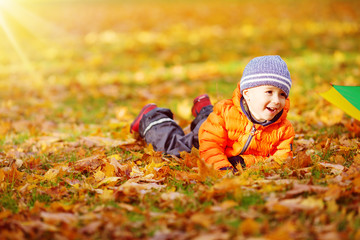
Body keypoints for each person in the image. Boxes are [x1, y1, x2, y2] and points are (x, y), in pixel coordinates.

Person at [130, 55, 295, 172]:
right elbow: (210, 146)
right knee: (175, 148)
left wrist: (244, 161)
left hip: (217, 127)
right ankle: (153, 117)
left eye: (282, 94)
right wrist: (222, 167)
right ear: (247, 94)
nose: (276, 100)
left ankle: (204, 109)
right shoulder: (225, 115)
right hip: (208, 135)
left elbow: (280, 160)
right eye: (269, 92)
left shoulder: (283, 129)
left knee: (212, 119)